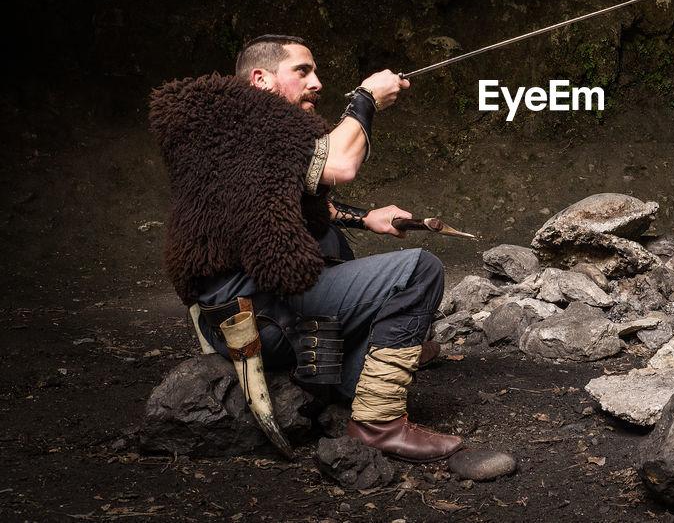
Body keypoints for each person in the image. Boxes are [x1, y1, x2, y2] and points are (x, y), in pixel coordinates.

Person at [150, 34, 462, 461]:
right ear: (260, 78)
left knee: (329, 237)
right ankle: (378, 423)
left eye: (315, 72)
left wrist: (365, 217)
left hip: (231, 311)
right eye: (303, 71)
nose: (317, 83)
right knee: (419, 271)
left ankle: (344, 375)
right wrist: (366, 98)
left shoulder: (231, 127)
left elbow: (282, 200)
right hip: (255, 315)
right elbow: (340, 164)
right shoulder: (239, 124)